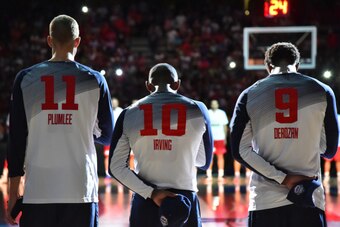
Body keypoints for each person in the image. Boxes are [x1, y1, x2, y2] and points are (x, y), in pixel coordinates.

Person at [6, 15, 114, 227]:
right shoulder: (95, 80)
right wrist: (79, 128)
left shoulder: (25, 78)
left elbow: (16, 140)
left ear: (49, 40)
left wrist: (13, 191)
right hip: (80, 188)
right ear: (78, 41)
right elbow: (107, 134)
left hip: (38, 190)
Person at [230, 42, 338, 227]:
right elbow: (328, 150)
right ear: (297, 65)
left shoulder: (250, 94)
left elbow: (239, 151)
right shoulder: (322, 91)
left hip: (265, 201)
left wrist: (283, 178)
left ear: (267, 66)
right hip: (308, 198)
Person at [109, 63, 213, 227]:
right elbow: (204, 162)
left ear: (148, 86)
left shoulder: (128, 113)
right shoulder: (198, 109)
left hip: (146, 198)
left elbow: (115, 167)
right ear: (177, 84)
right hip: (184, 199)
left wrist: (152, 192)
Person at [207, 99, 228, 179]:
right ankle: (209, 174)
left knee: (220, 155)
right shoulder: (208, 112)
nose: (214, 105)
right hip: (211, 138)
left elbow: (224, 126)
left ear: (218, 105)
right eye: (213, 104)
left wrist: (225, 137)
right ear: (211, 105)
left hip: (220, 137)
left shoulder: (222, 113)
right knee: (210, 156)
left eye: (216, 104)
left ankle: (221, 174)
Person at [103, 97, 123, 177]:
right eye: (112, 102)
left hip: (118, 136)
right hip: (109, 135)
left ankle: (119, 171)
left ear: (118, 103)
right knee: (107, 155)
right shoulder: (108, 110)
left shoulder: (120, 111)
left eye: (115, 102)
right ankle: (107, 172)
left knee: (119, 154)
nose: (114, 104)